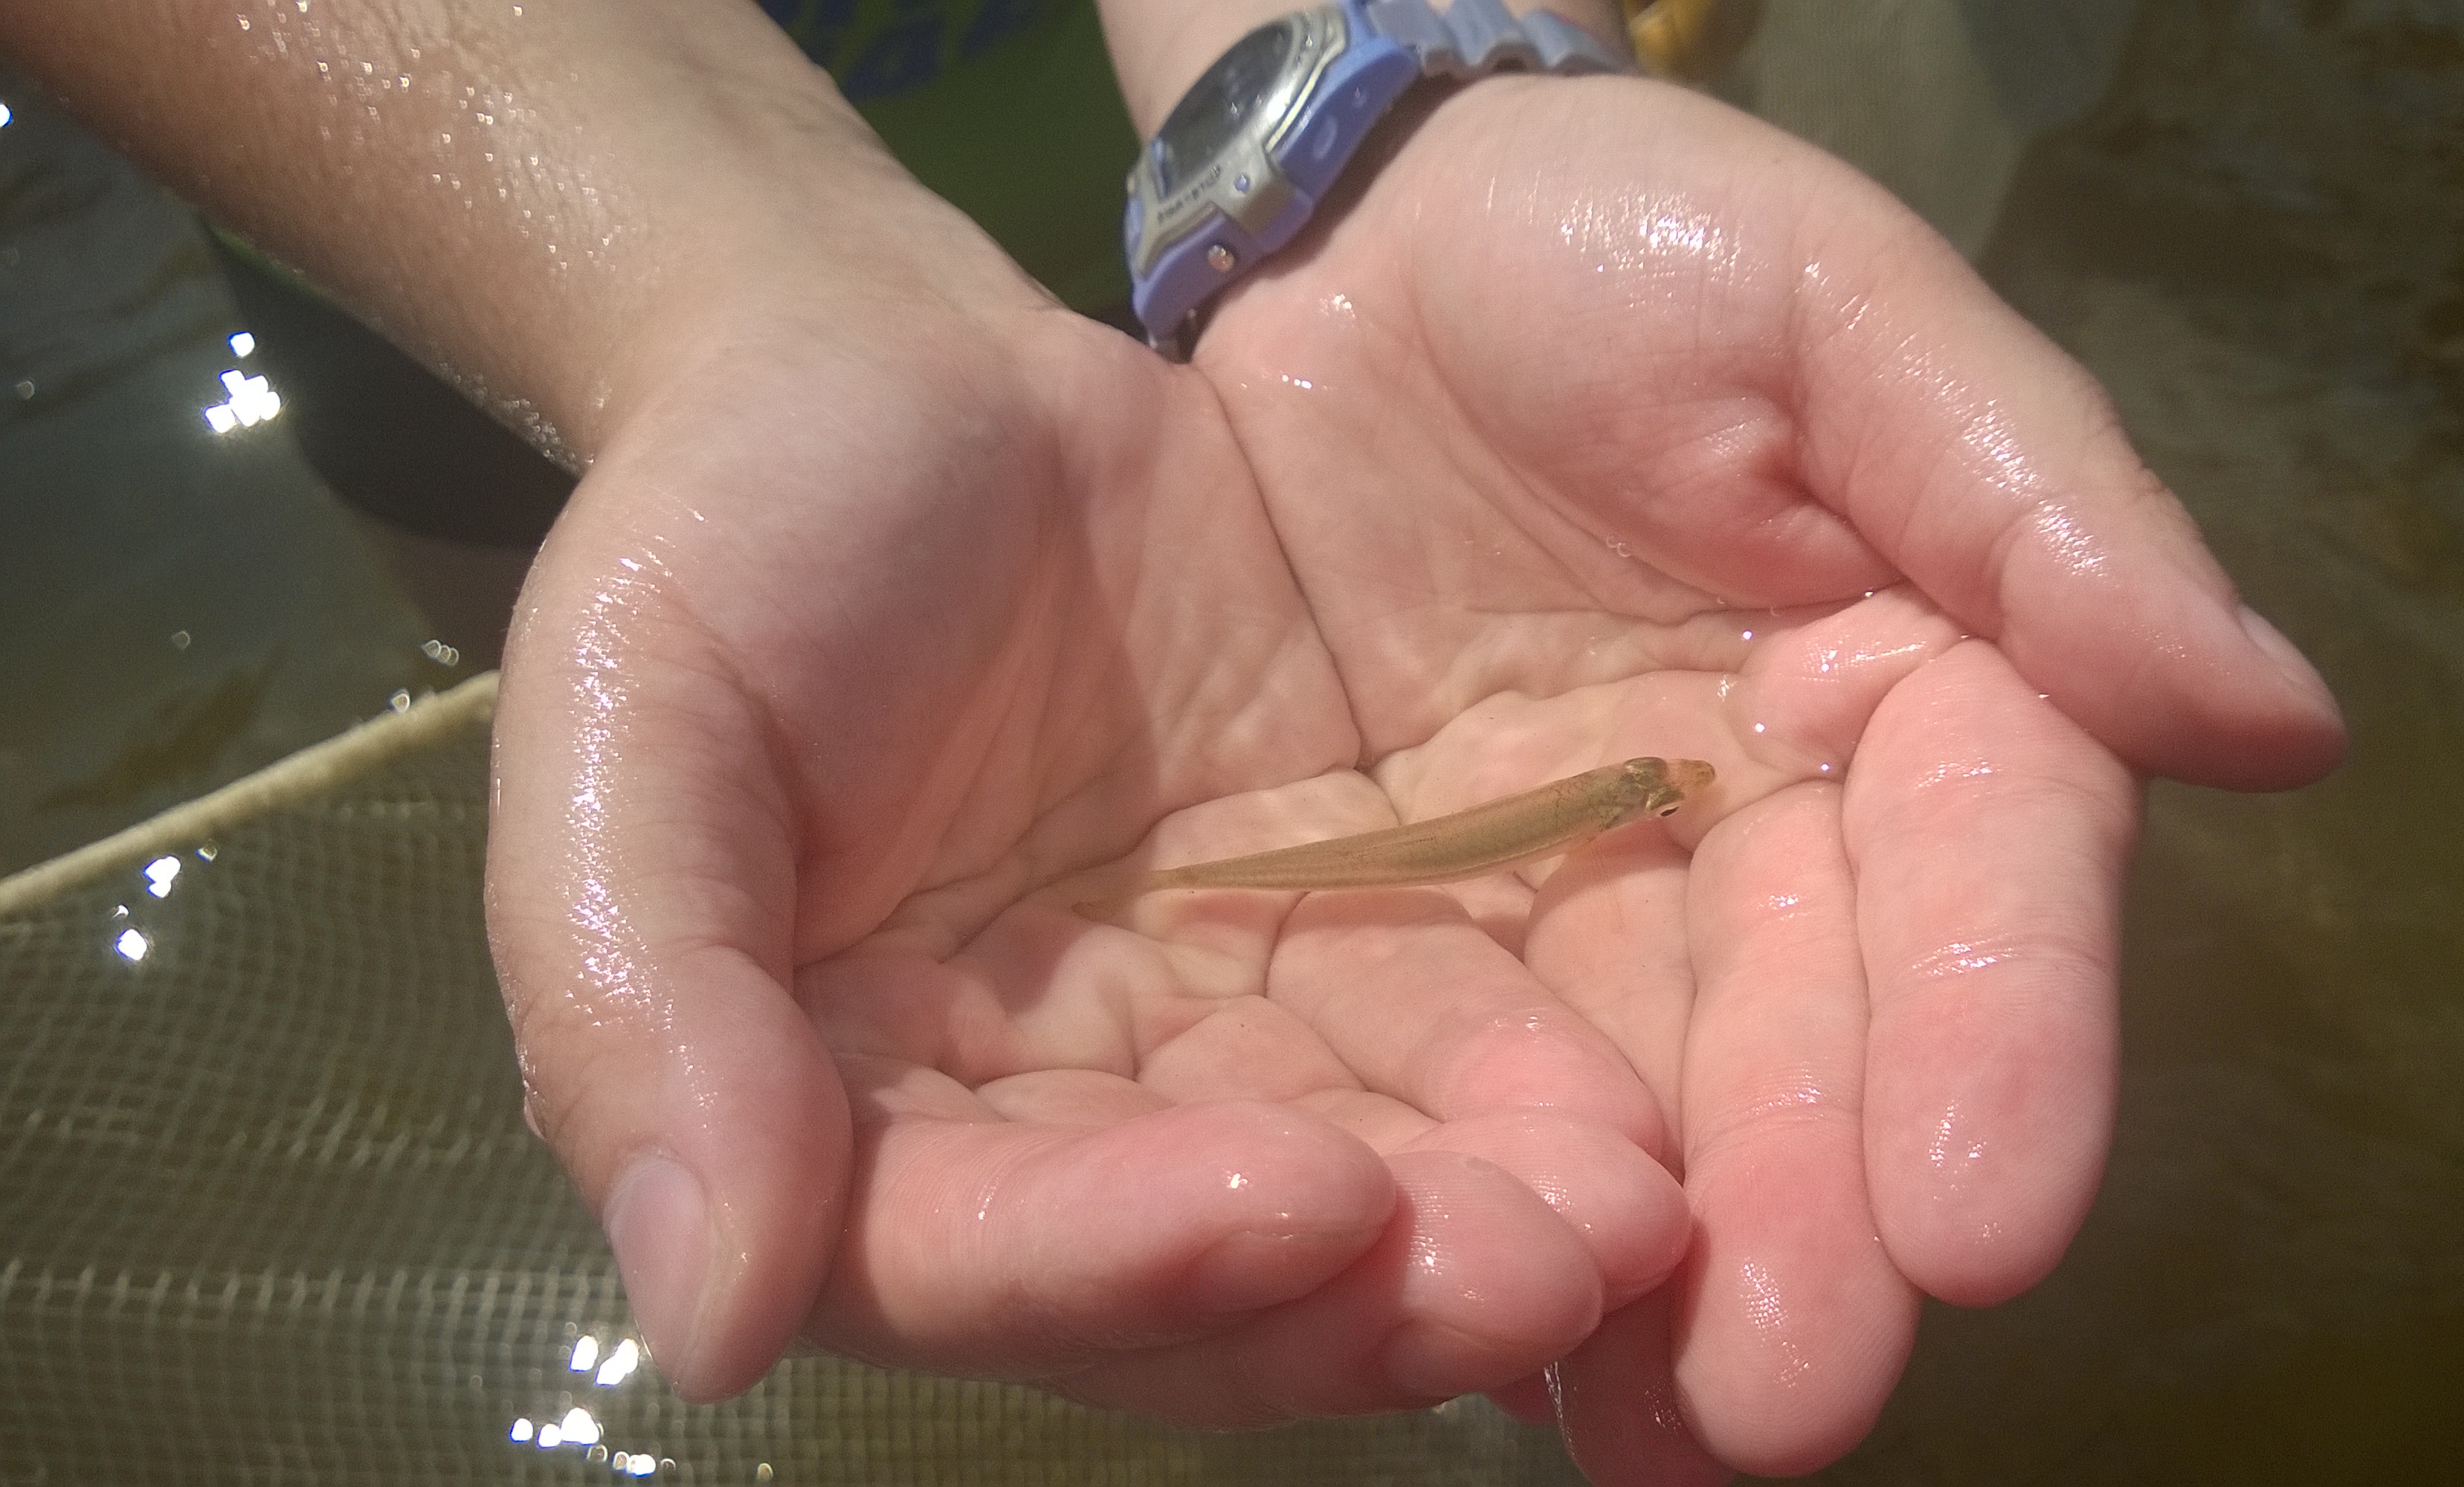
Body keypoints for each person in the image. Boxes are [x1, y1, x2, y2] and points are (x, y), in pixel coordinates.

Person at [0, 2, 2345, 1482]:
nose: (1663, 808)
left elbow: (1613, 812)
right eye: (1660, 801)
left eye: (1663, 804)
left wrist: (1362, 83)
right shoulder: (1611, 804)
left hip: (1155, 116)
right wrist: (731, 308)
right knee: (678, 706)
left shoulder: (1603, 805)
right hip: (431, 173)